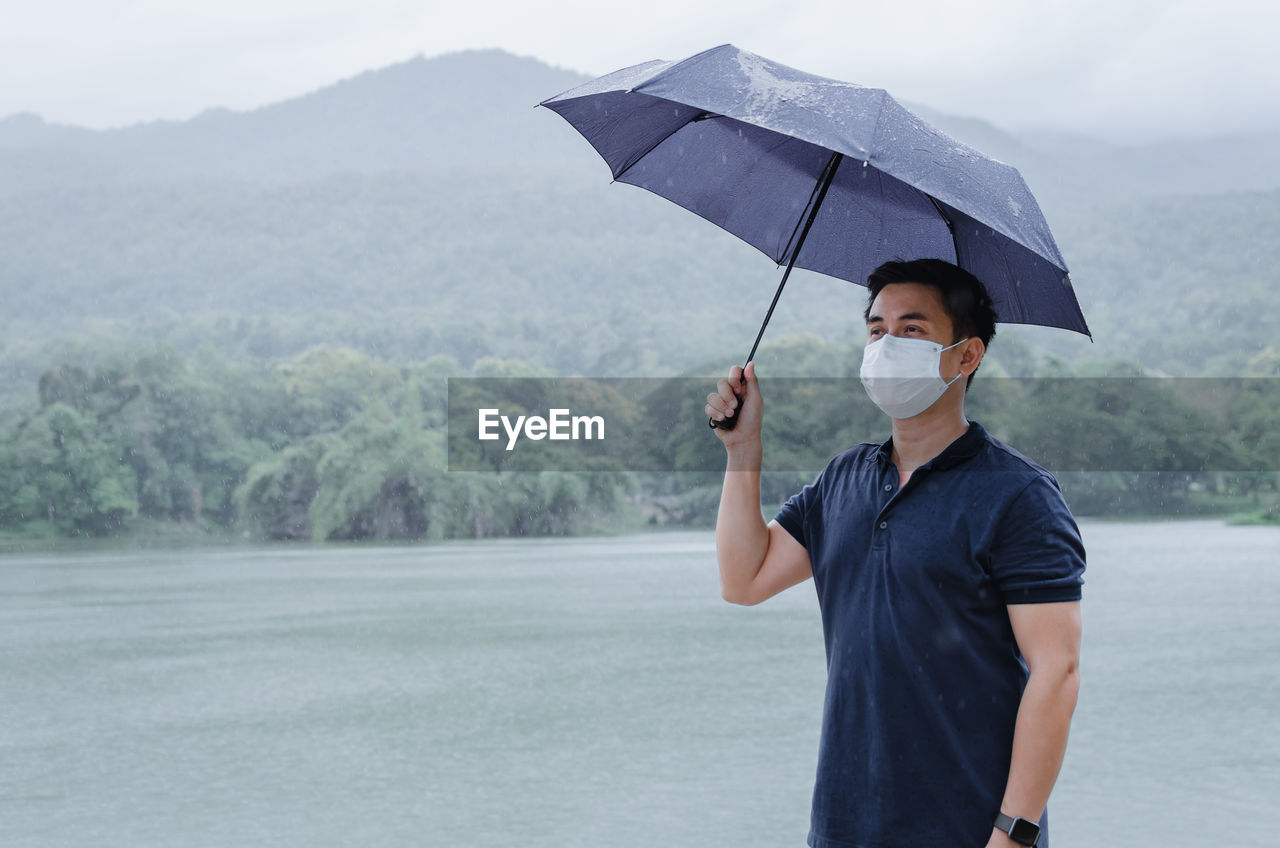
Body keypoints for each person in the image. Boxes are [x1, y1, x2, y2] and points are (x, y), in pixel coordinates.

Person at [706, 258, 1084, 848]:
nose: (887, 345)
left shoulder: (1018, 496)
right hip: (843, 826)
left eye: (912, 329)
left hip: (966, 829)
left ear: (967, 355)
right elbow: (744, 578)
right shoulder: (845, 480)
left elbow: (1056, 672)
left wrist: (1014, 834)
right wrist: (742, 446)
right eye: (877, 329)